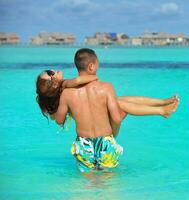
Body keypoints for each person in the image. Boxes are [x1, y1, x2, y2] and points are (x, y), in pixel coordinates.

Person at [36, 48, 179, 172]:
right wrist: (116, 115)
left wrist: (68, 110)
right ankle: (162, 110)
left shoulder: (66, 93)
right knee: (108, 181)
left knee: (88, 181)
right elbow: (116, 119)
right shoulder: (105, 87)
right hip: (105, 141)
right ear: (92, 66)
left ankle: (162, 104)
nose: (53, 70)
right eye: (50, 73)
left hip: (84, 144)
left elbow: (59, 119)